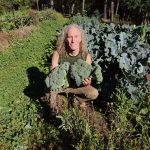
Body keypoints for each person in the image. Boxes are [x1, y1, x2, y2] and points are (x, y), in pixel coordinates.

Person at [49, 24, 99, 112]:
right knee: (52, 105)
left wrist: (87, 82)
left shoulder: (86, 56)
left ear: (80, 39)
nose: (73, 40)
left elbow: (88, 78)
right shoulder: (57, 54)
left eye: (76, 36)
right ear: (65, 39)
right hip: (61, 88)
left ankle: (76, 98)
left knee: (94, 93)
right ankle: (61, 100)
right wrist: (53, 72)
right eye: (69, 37)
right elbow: (53, 77)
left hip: (77, 88)